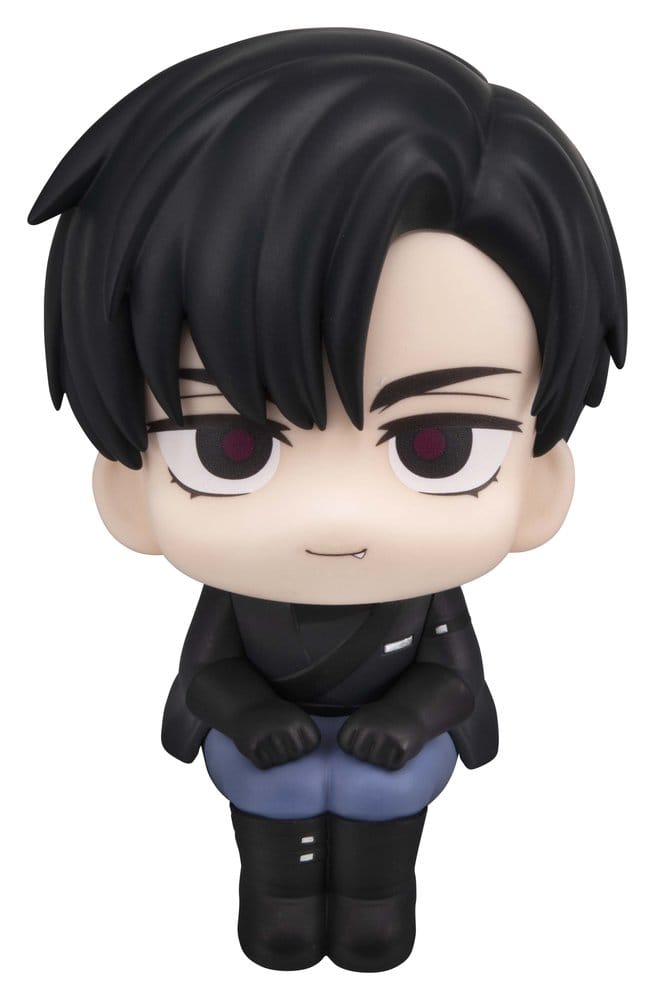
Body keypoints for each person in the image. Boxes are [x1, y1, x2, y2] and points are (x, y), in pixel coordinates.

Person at [28, 27, 626, 972]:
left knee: (380, 879)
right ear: (128, 487)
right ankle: (277, 905)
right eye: (230, 446)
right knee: (275, 873)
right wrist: (250, 717)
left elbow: (453, 675)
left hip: (394, 760)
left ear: (537, 486)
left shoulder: (424, 599)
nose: (336, 516)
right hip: (267, 759)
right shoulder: (239, 598)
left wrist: (411, 719)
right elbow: (207, 672)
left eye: (436, 446)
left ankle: (376, 907)